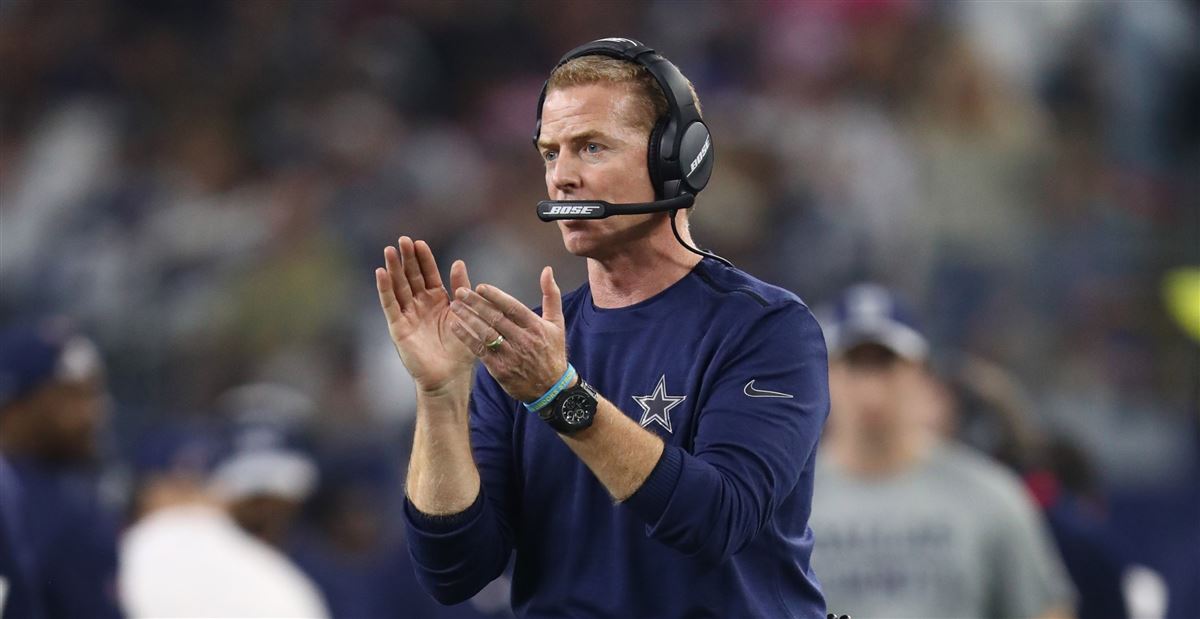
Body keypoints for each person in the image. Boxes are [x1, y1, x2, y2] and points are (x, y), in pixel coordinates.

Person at [374, 38, 831, 617]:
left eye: (591, 148)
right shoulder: (519, 352)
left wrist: (559, 397)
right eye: (549, 153)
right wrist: (439, 395)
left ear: (677, 158)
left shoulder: (767, 329)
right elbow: (454, 571)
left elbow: (719, 519)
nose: (562, 177)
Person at [809, 283, 1076, 619]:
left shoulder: (990, 496)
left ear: (919, 373)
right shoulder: (784, 504)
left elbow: (1045, 611)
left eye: (886, 364)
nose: (871, 390)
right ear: (824, 374)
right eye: (854, 365)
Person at [0, 320, 123, 619]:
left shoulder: (78, 489)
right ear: (15, 405)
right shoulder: (10, 493)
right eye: (72, 395)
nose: (93, 411)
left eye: (94, 394)